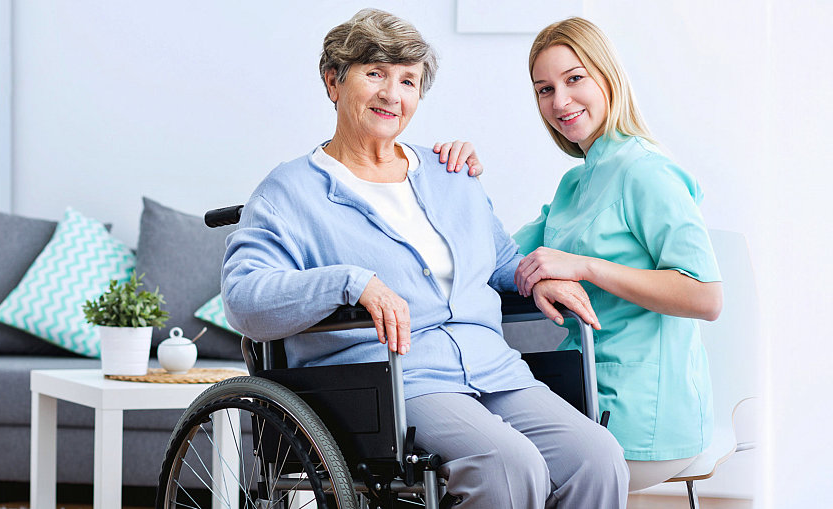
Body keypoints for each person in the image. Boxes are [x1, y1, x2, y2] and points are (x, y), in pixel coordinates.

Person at [222, 9, 628, 509]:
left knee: (599, 457)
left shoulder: (447, 171)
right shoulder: (290, 191)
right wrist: (350, 283)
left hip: (493, 368)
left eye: (408, 80)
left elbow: (497, 260)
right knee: (507, 465)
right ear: (333, 82)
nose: (393, 94)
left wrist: (533, 278)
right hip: (394, 381)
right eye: (374, 74)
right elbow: (244, 299)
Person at [435, 17, 723, 491]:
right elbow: (494, 258)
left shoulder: (646, 172)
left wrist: (586, 266)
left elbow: (706, 297)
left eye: (574, 79)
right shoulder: (576, 183)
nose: (560, 101)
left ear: (606, 76)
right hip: (580, 390)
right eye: (544, 89)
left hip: (645, 414)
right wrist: (455, 181)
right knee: (482, 463)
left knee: (501, 478)